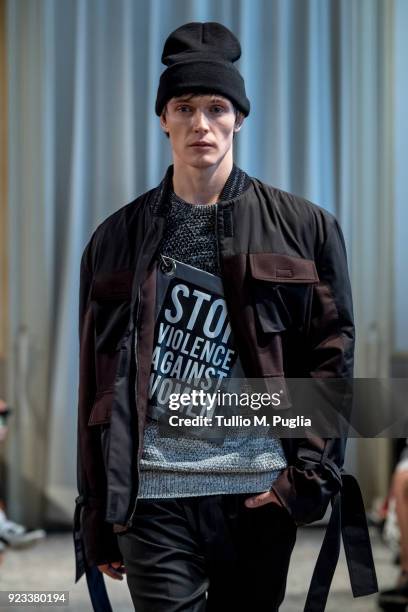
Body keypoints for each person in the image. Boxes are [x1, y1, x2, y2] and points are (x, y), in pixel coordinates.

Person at [74, 21, 378, 612]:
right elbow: (95, 385)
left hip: (256, 492)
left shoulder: (306, 229)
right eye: (183, 107)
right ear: (162, 118)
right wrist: (96, 510)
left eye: (216, 107)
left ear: (239, 117)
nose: (200, 124)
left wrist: (308, 479)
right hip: (152, 496)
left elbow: (331, 356)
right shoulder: (114, 240)